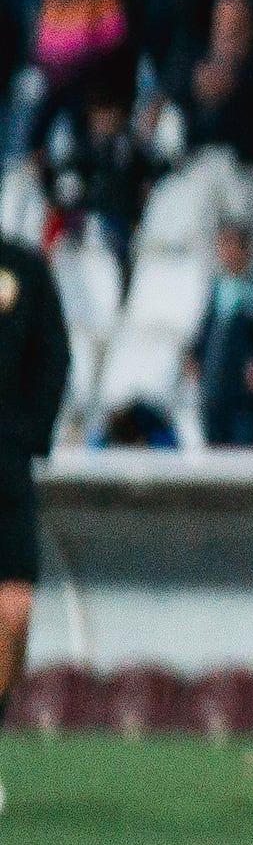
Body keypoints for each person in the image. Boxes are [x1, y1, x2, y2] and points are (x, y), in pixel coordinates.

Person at [0, 217, 59, 813]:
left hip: (5, 467)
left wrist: (26, 435)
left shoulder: (22, 269)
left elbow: (54, 354)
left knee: (12, 612)